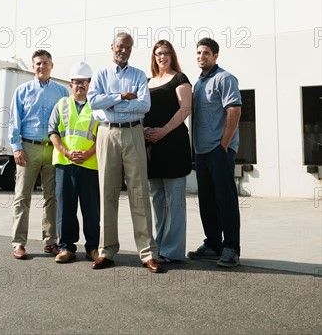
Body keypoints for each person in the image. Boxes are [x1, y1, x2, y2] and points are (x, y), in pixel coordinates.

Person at [87, 32, 163, 273]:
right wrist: (121, 96)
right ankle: (106, 251)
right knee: (107, 192)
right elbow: (93, 103)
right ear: (112, 47)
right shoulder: (100, 74)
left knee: (139, 192)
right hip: (107, 134)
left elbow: (144, 105)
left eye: (128, 47)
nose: (124, 50)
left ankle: (148, 253)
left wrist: (110, 102)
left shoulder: (139, 75)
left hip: (132, 134)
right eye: (120, 46)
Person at [10, 49, 69, 260]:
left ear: (51, 65)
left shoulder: (62, 93)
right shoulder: (22, 91)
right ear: (33, 67)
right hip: (28, 148)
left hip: (53, 149)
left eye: (45, 63)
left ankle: (50, 241)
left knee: (51, 197)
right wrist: (16, 147)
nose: (41, 67)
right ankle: (18, 243)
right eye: (37, 64)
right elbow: (14, 121)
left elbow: (67, 122)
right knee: (22, 197)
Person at [188, 38, 242, 267]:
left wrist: (223, 146)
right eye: (199, 53)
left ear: (216, 55)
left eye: (206, 53)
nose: (201, 56)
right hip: (202, 152)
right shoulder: (198, 84)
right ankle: (212, 244)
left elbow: (234, 111)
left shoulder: (224, 78)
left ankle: (231, 248)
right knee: (207, 201)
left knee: (226, 200)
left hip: (220, 151)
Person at [143, 40, 192, 263]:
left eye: (166, 53)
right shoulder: (146, 81)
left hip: (173, 145)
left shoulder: (180, 79)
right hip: (152, 146)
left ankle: (171, 251)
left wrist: (164, 131)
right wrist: (143, 129)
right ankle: (158, 246)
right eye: (158, 53)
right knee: (157, 200)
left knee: (174, 202)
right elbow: (140, 109)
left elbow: (185, 109)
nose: (162, 57)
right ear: (154, 57)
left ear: (172, 56)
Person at [48, 61, 100, 264]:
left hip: (90, 165)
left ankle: (93, 247)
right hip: (65, 164)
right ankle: (66, 248)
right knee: (65, 209)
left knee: (91, 210)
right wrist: (67, 153)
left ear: (90, 84)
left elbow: (102, 135)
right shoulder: (61, 105)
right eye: (77, 82)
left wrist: (87, 154)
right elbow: (53, 133)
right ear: (71, 85)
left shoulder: (97, 107)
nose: (81, 85)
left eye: (85, 82)